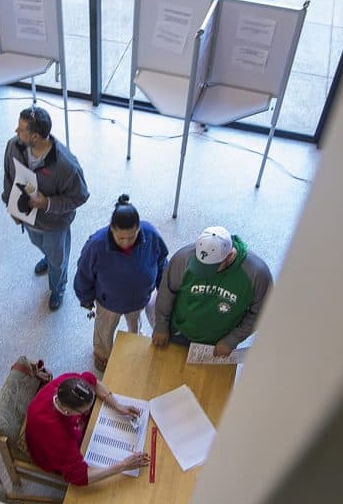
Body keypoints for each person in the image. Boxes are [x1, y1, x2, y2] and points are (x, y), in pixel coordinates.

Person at [2, 106, 89, 310]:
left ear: (34, 137)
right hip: (28, 218)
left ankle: (58, 287)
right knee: (37, 243)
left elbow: (80, 196)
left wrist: (47, 203)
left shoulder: (67, 165)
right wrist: (10, 206)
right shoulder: (13, 146)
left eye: (21, 129)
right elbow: (8, 176)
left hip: (54, 224)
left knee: (58, 261)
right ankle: (48, 258)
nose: (16, 131)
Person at [74, 195, 168, 371]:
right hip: (109, 303)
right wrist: (85, 299)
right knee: (104, 330)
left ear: (139, 229)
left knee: (135, 325)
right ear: (112, 229)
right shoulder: (96, 245)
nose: (126, 242)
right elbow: (84, 274)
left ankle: (135, 343)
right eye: (121, 238)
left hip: (139, 300)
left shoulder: (151, 234)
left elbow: (162, 260)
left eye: (132, 237)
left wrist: (162, 286)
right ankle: (102, 354)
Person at [152, 226, 272, 356]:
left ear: (229, 255)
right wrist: (161, 324)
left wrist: (232, 339)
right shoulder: (183, 258)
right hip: (179, 332)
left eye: (211, 267)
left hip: (218, 342)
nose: (204, 272)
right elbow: (167, 292)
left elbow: (261, 312)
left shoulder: (257, 274)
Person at [25, 372, 149, 486]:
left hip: (68, 430)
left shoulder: (69, 384)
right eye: (85, 410)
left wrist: (118, 406)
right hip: (47, 452)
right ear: (67, 411)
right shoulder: (59, 436)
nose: (89, 411)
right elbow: (79, 477)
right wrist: (123, 465)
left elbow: (92, 381)